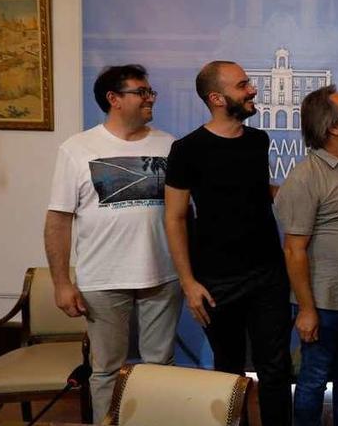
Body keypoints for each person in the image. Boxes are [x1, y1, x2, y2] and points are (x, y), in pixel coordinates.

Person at [44, 64, 182, 423]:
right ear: (114, 99)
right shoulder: (76, 148)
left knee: (160, 366)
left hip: (163, 276)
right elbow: (58, 220)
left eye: (151, 92)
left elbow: (185, 214)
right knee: (105, 369)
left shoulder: (170, 145)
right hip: (103, 280)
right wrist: (61, 283)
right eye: (142, 92)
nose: (150, 98)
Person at [164, 60, 292, 425]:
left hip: (268, 274)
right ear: (217, 98)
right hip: (217, 281)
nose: (253, 90)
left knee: (276, 370)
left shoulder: (258, 140)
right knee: (228, 372)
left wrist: (302, 195)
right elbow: (174, 217)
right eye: (243, 85)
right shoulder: (187, 149)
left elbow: (254, 192)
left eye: (249, 83)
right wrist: (189, 283)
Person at [274, 85, 338, 425]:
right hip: (323, 305)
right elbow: (294, 249)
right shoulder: (305, 177)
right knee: (313, 380)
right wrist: (306, 310)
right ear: (332, 127)